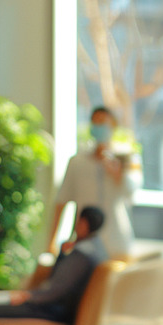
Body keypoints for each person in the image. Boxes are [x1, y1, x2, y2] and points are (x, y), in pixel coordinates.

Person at [52, 106, 142, 261]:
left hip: (116, 241)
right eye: (95, 123)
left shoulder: (127, 158)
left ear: (113, 126)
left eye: (103, 122)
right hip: (84, 242)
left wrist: (117, 174)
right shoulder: (78, 162)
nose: (99, 127)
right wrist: (51, 242)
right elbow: (62, 201)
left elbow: (132, 191)